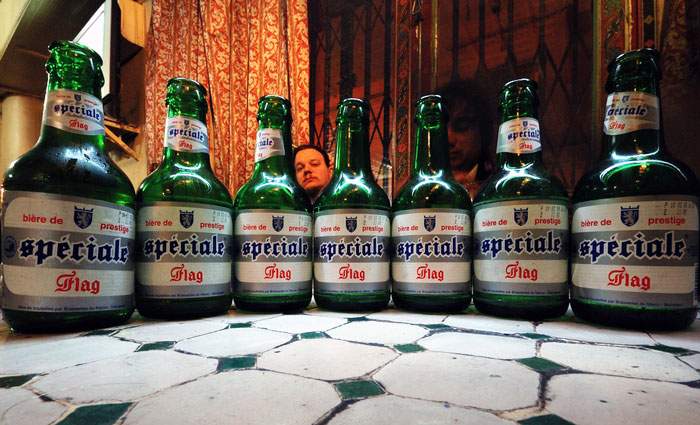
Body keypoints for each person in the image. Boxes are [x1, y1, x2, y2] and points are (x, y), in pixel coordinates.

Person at [435, 79, 495, 197]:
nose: (449, 140)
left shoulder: (498, 185)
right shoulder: (418, 190)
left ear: (483, 130)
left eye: (461, 126)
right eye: (440, 130)